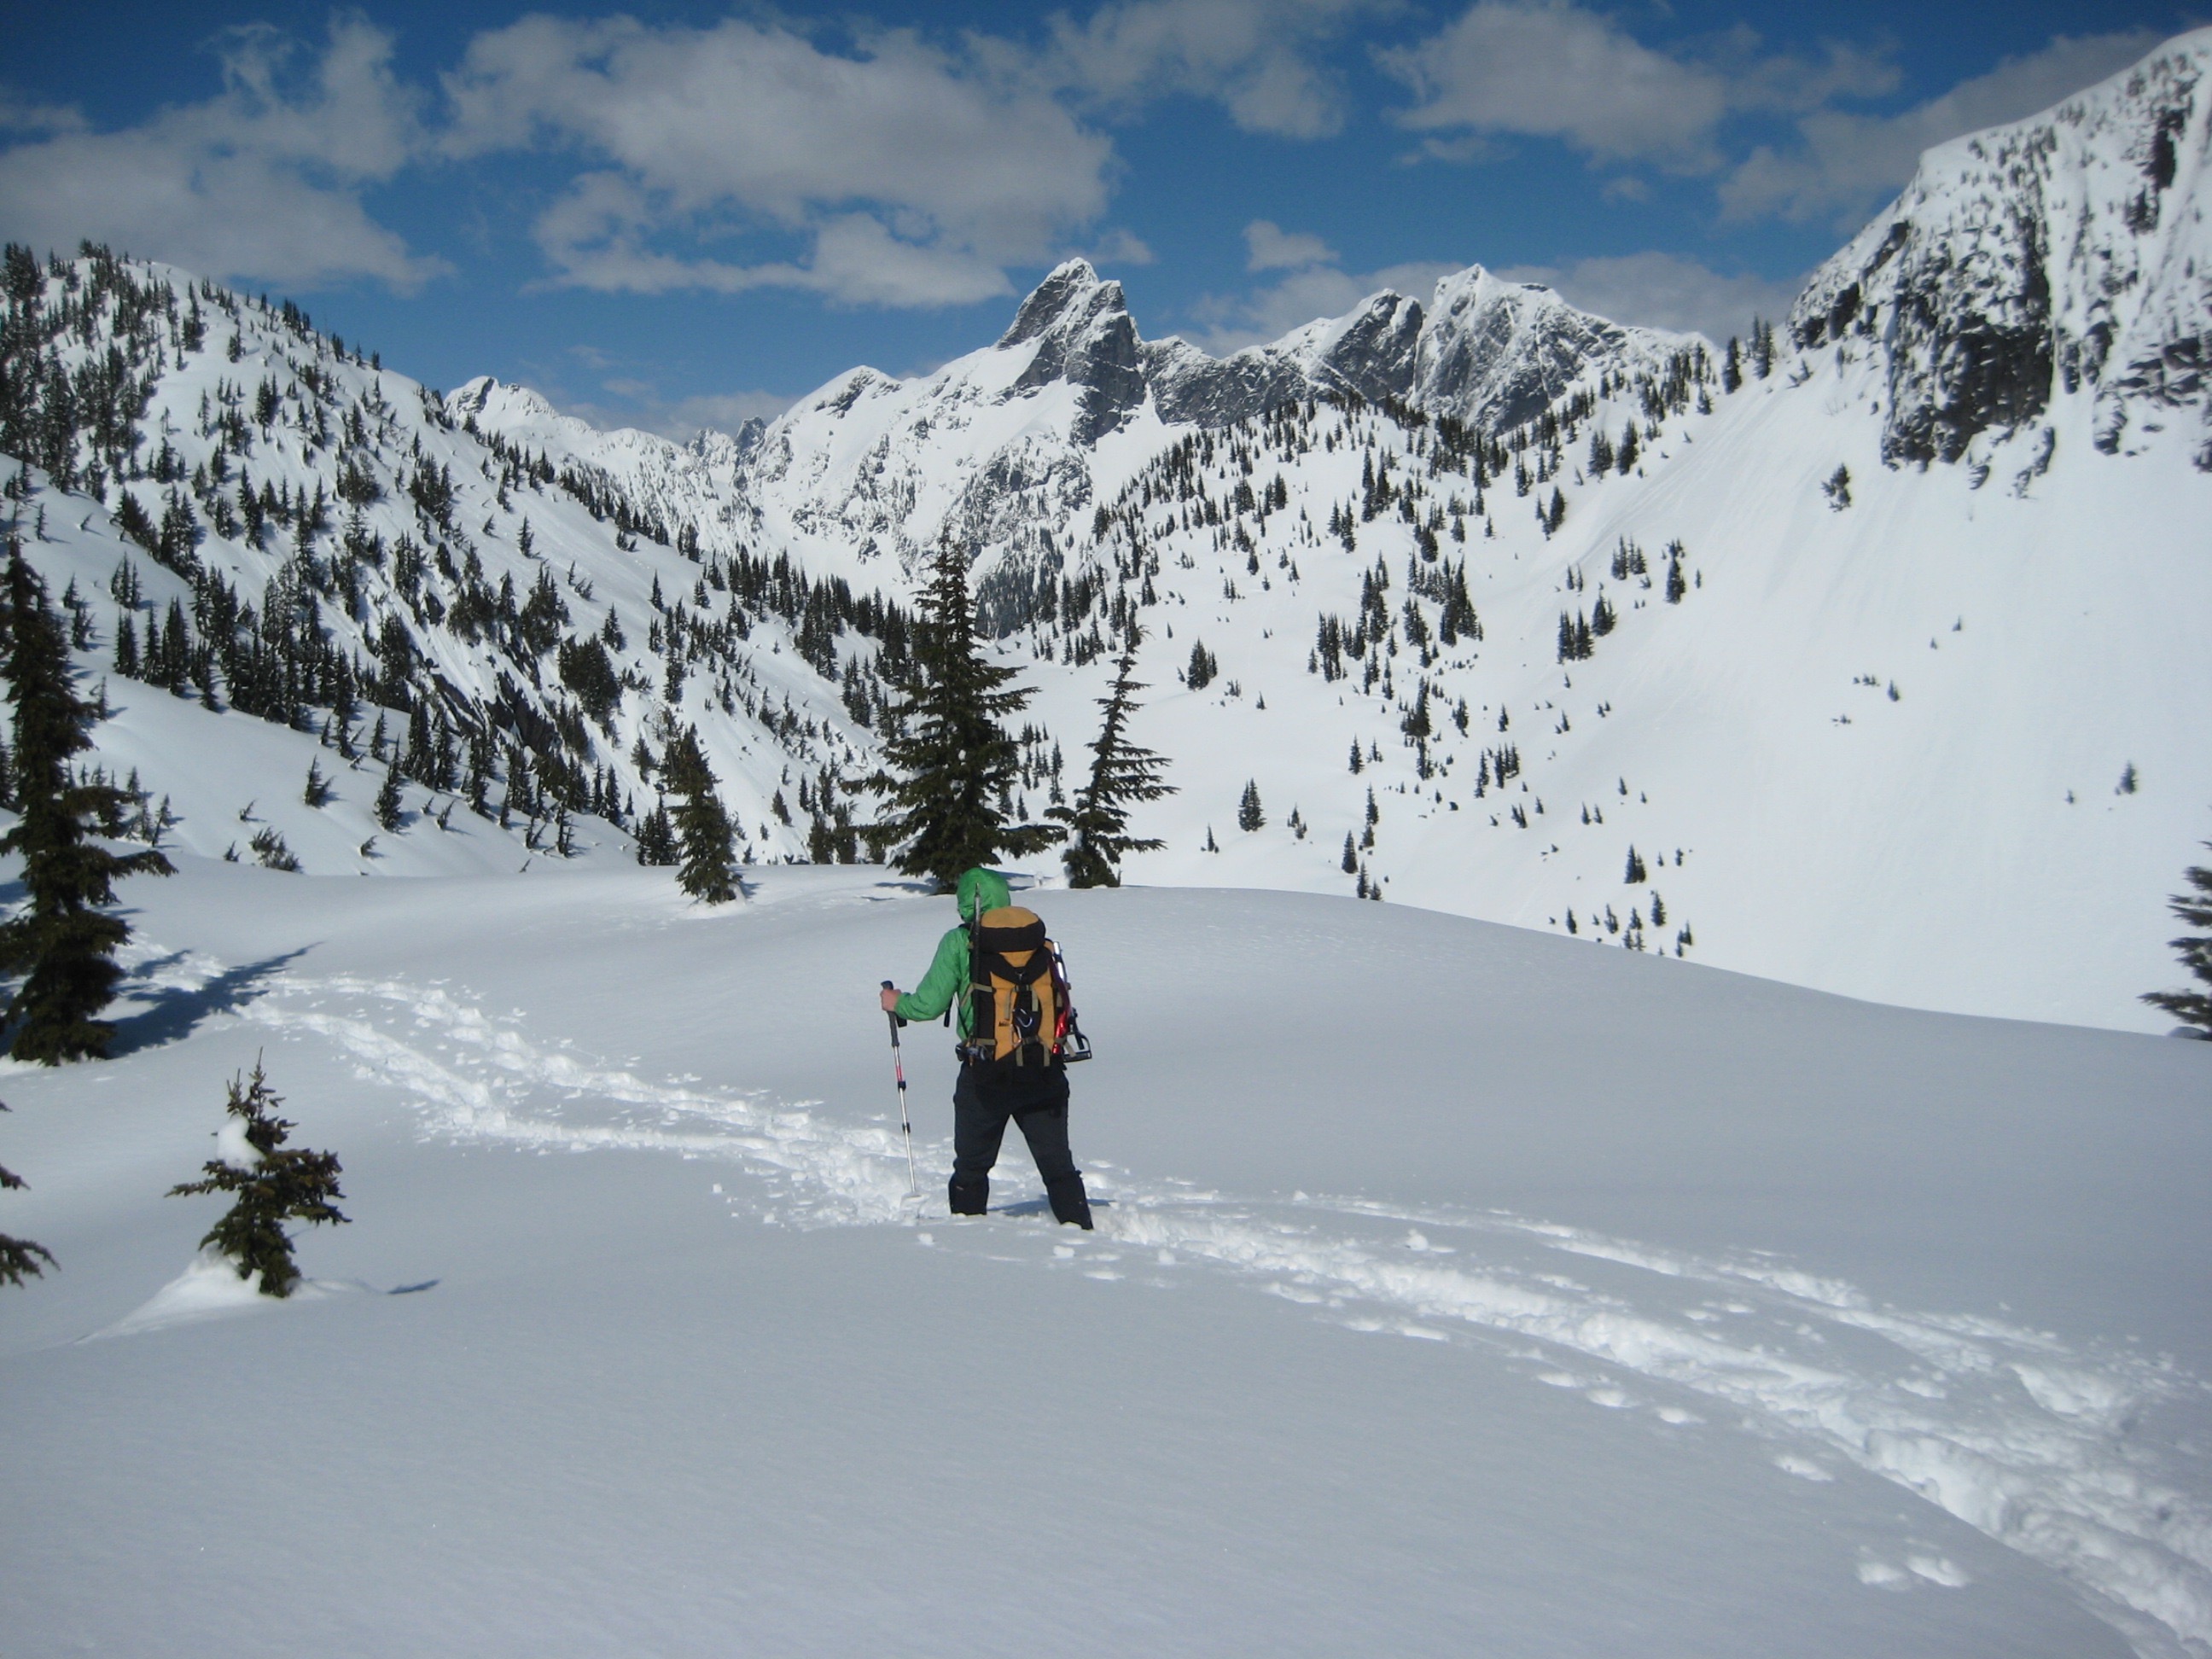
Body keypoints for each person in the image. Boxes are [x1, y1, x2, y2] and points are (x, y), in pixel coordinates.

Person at [879, 867, 1093, 1228]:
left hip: (986, 1075)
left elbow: (928, 1006)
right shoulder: (1036, 942)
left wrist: (896, 1002)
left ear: (966, 902)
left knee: (971, 1168)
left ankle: (969, 1241)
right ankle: (1083, 1236)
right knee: (1058, 1167)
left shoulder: (960, 941)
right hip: (1044, 1068)